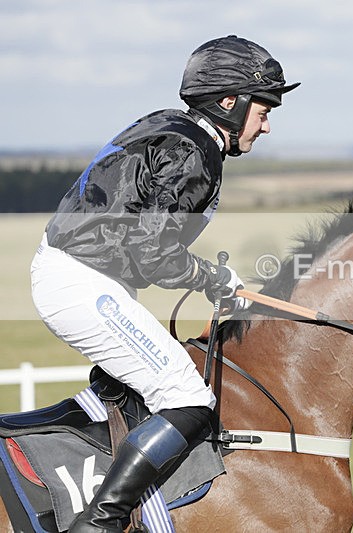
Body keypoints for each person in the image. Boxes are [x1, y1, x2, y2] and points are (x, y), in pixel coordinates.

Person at [30, 35, 299, 532]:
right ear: (229, 102)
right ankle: (102, 522)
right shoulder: (193, 152)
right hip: (82, 282)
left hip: (83, 275)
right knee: (187, 396)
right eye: (263, 110)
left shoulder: (171, 129)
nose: (266, 125)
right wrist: (210, 276)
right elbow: (151, 252)